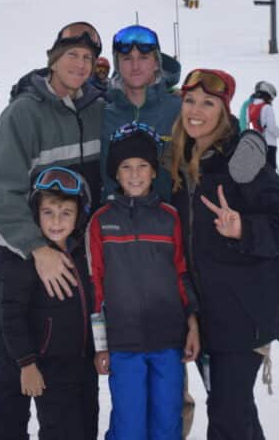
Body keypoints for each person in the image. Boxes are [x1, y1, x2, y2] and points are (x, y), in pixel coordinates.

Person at [0, 21, 105, 440]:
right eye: (72, 55)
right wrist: (38, 249)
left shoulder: (96, 108)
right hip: (25, 266)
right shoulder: (25, 113)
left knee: (73, 393)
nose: (80, 64)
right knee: (13, 379)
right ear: (53, 58)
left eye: (88, 58)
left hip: (76, 269)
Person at [168, 68, 279, 439]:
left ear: (224, 110)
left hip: (244, 315)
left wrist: (244, 228)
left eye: (208, 103)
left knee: (228, 415)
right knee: (234, 410)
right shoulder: (181, 156)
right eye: (190, 101)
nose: (196, 110)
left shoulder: (242, 155)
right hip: (205, 313)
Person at [89, 123, 199, 439]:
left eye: (142, 166)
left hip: (168, 341)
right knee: (129, 426)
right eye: (126, 167)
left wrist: (191, 322)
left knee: (167, 423)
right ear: (116, 173)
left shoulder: (170, 217)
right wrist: (100, 346)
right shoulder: (102, 220)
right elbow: (96, 284)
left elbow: (182, 274)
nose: (135, 174)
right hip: (123, 343)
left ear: (154, 172)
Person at [0, 166, 98, 439]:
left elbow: (95, 306)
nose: (56, 222)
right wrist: (27, 363)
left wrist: (101, 349)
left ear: (79, 216)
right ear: (36, 214)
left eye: (66, 213)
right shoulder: (25, 260)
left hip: (83, 364)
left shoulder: (85, 253)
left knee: (85, 429)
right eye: (48, 213)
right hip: (47, 366)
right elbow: (11, 314)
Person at [99, 24, 182, 203]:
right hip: (114, 224)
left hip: (169, 224)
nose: (135, 66)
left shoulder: (179, 110)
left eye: (143, 57)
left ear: (156, 62)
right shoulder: (103, 114)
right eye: (127, 58)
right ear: (118, 64)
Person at [246, 80, 279, 171]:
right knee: (270, 171)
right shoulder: (267, 107)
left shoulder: (250, 107)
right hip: (269, 144)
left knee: (258, 171)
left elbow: (249, 126)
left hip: (255, 144)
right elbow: (272, 127)